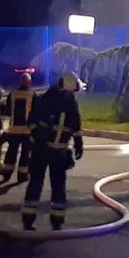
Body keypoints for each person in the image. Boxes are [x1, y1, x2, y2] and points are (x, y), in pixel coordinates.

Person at [21, 71, 83, 231]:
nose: (73, 93)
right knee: (50, 185)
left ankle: (42, 220)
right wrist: (78, 145)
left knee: (45, 185)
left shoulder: (53, 100)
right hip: (50, 150)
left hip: (48, 150)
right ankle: (45, 220)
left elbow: (75, 126)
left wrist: (78, 142)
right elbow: (32, 122)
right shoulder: (56, 101)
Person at [0, 71, 35, 183]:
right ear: (29, 82)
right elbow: (36, 112)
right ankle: (22, 175)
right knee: (25, 153)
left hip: (13, 129)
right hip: (27, 130)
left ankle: (7, 173)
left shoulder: (13, 94)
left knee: (11, 151)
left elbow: (8, 111)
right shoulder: (32, 94)